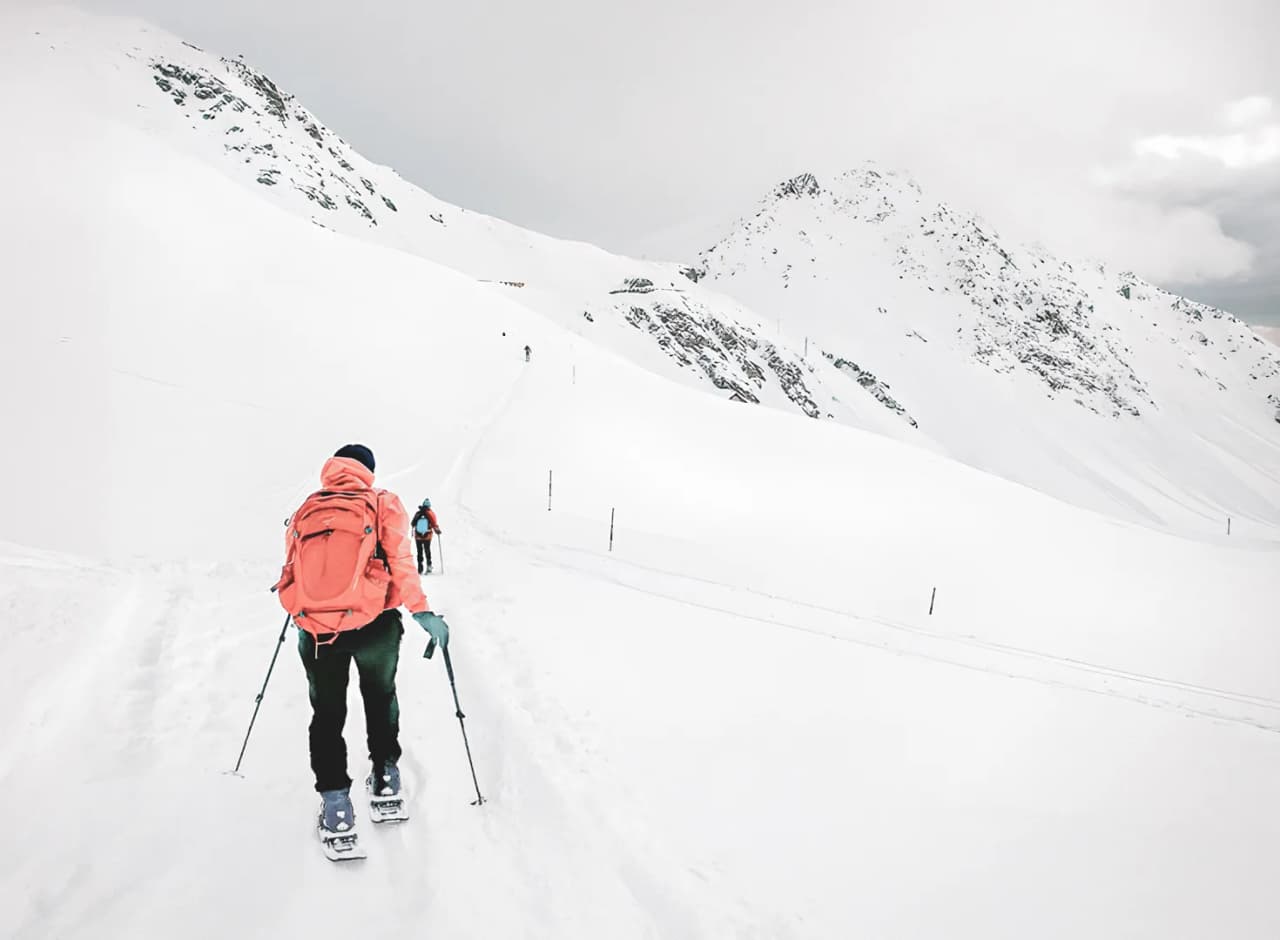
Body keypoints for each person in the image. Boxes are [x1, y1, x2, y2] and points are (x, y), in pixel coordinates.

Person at [276, 444, 450, 837]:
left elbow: (291, 566)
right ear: (368, 470)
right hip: (376, 625)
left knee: (327, 713)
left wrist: (300, 611)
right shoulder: (382, 502)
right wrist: (421, 612)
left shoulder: (308, 506)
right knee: (380, 696)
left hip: (319, 631)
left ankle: (336, 804)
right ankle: (386, 777)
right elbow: (402, 563)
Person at [410, 498, 442, 574]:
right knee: (427, 550)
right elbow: (434, 524)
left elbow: (412, 524)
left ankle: (420, 568)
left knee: (419, 551)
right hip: (427, 536)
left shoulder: (418, 513)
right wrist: (437, 531)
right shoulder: (430, 513)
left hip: (418, 536)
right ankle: (429, 566)